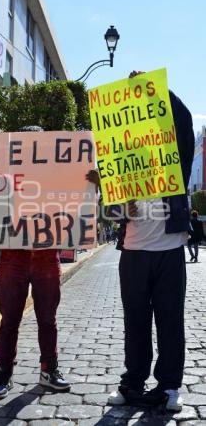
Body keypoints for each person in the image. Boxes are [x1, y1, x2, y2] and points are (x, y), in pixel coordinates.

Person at [87, 71, 195, 412]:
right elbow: (109, 213)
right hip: (133, 252)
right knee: (135, 322)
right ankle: (133, 382)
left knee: (170, 321)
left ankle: (169, 387)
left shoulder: (175, 160)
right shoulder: (121, 169)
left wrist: (156, 89)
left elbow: (184, 121)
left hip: (169, 250)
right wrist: (106, 192)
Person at [0, 126, 70, 400]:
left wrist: (91, 184)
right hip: (13, 256)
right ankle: (4, 373)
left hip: (47, 256)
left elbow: (77, 202)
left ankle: (49, 370)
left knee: (48, 319)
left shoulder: (56, 176)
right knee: (9, 319)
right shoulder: (3, 176)